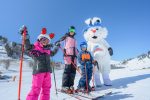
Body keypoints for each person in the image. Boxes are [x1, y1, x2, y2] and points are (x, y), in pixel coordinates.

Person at [19, 26, 59, 100]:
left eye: (47, 40)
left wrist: (56, 47)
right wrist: (25, 36)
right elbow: (27, 47)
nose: (45, 41)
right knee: (36, 88)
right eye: (43, 39)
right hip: (39, 71)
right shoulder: (35, 47)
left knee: (47, 89)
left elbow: (53, 53)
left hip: (48, 72)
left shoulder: (48, 50)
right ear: (40, 39)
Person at [55, 26, 78, 94]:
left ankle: (70, 85)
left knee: (73, 72)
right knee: (67, 71)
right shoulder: (66, 37)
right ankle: (64, 86)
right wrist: (57, 43)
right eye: (70, 30)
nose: (72, 31)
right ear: (69, 30)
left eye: (73, 30)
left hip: (74, 57)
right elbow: (59, 41)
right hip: (68, 56)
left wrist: (78, 54)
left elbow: (75, 48)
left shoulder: (75, 39)